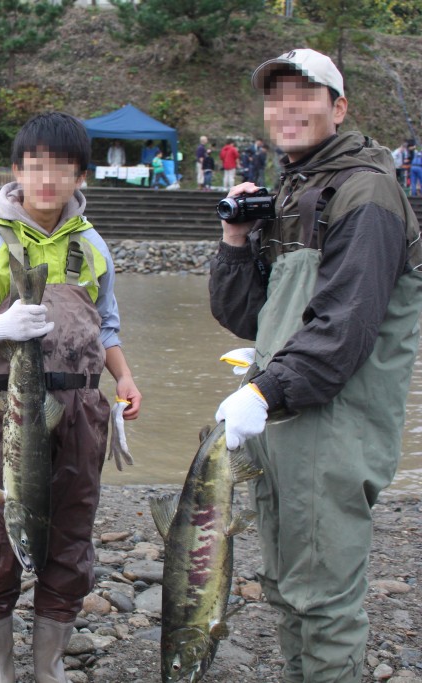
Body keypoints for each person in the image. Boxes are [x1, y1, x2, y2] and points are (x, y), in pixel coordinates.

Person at [210, 48, 422, 683]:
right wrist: (236, 240)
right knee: (284, 584)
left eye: (306, 94)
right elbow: (247, 317)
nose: (288, 108)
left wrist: (263, 392)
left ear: (340, 106)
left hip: (333, 424)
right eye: (276, 97)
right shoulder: (295, 189)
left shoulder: (367, 190)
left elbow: (344, 326)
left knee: (324, 600)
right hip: (283, 417)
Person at [0, 112, 141, 683]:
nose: (47, 178)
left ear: (80, 176)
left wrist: (122, 378)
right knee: (0, 535)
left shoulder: (93, 245)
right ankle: (1, 671)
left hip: (83, 412)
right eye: (35, 165)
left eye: (61, 167)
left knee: (71, 536)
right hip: (9, 413)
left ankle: (48, 669)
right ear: (18, 170)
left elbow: (108, 325)